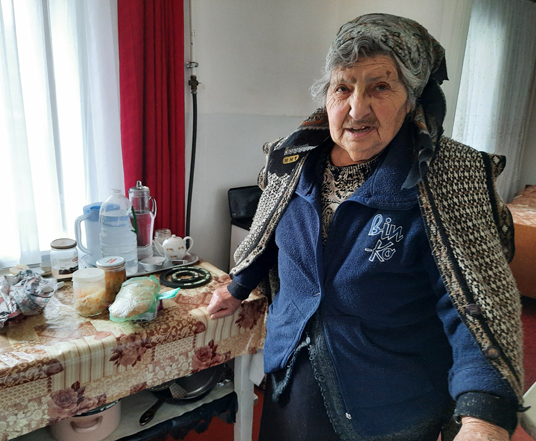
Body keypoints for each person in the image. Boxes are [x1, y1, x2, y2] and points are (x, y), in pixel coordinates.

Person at [207, 13, 525, 441]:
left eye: (380, 87)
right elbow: (268, 234)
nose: (357, 108)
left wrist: (484, 415)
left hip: (390, 402)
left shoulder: (447, 176)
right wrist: (238, 286)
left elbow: (474, 303)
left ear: (411, 101)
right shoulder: (293, 159)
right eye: (343, 87)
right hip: (292, 371)